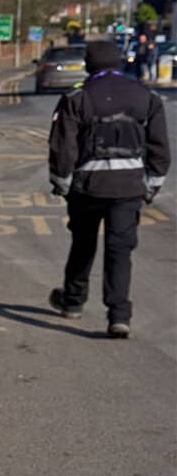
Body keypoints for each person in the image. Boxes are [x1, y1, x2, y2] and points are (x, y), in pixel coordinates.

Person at [45, 41, 170, 338]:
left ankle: (73, 303)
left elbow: (63, 145)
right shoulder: (147, 97)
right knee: (119, 250)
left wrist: (61, 181)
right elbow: (159, 147)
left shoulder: (77, 98)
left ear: (89, 65)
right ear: (119, 63)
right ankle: (118, 315)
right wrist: (152, 184)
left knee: (83, 244)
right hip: (129, 188)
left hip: (87, 188)